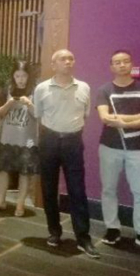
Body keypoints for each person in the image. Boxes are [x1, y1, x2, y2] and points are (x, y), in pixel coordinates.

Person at [33, 49, 99, 259]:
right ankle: (54, 231)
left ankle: (83, 238)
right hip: (49, 140)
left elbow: (85, 114)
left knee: (77, 190)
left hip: (73, 141)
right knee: (49, 189)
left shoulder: (84, 87)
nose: (68, 62)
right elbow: (38, 114)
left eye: (71, 58)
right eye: (63, 59)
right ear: (53, 65)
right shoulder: (42, 88)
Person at [96, 50, 140, 253]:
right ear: (111, 67)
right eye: (117, 62)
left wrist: (123, 122)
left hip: (138, 148)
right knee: (108, 189)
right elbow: (105, 118)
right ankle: (112, 229)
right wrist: (137, 117)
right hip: (109, 147)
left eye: (125, 61)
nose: (122, 65)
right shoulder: (104, 90)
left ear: (131, 64)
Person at [0, 61, 39, 216]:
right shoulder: (8, 90)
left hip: (27, 140)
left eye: (24, 76)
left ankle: (20, 205)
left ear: (29, 76)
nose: (20, 79)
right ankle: (1, 200)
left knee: (24, 172)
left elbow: (39, 115)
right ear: (13, 76)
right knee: (3, 170)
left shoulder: (36, 91)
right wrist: (9, 104)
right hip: (6, 138)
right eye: (17, 76)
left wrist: (29, 104)